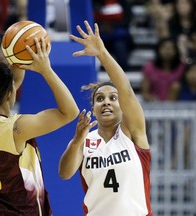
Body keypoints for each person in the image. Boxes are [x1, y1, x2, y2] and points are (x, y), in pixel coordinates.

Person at [0, 37, 79, 215]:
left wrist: (16, 54)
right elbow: (70, 112)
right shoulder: (15, 129)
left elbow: (12, 81)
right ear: (9, 94)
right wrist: (46, 71)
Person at [59, 21, 153, 216]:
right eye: (100, 99)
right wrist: (76, 141)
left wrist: (102, 53)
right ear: (93, 109)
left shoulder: (132, 132)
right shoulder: (84, 141)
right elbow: (64, 173)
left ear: (122, 106)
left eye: (113, 98)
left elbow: (126, 90)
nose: (106, 102)